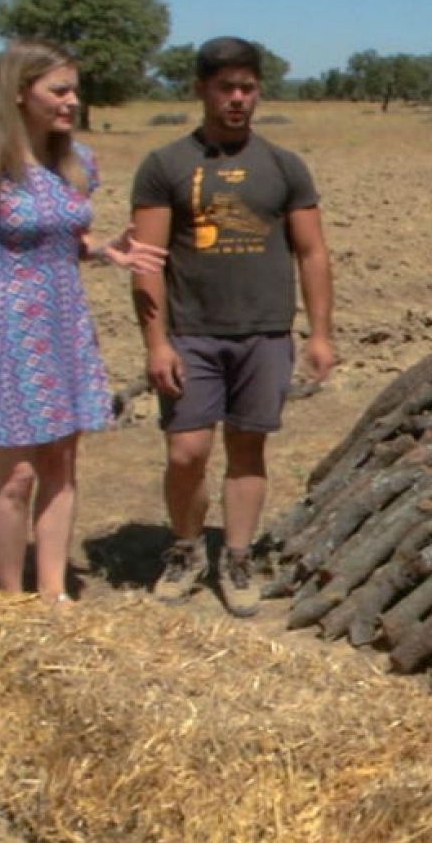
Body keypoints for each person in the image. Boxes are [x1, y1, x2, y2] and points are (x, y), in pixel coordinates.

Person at [0, 41, 166, 607]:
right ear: (20, 92)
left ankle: (52, 597)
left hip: (64, 323)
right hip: (2, 325)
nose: (73, 101)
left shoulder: (80, 163)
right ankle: (11, 601)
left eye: (75, 89)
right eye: (59, 90)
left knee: (60, 466)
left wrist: (104, 252)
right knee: (16, 475)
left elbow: (67, 241)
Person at [130, 36, 337, 617]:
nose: (238, 99)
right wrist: (156, 342)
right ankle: (187, 548)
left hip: (265, 332)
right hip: (190, 333)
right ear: (201, 90)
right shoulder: (165, 165)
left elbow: (313, 253)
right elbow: (147, 261)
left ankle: (238, 556)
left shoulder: (284, 166)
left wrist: (320, 334)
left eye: (248, 87)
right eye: (226, 88)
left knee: (248, 449)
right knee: (186, 452)